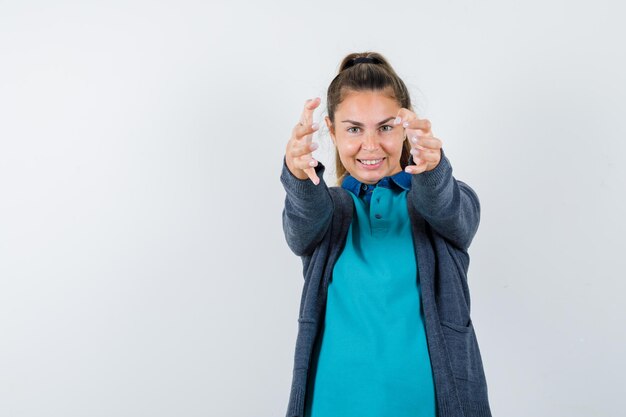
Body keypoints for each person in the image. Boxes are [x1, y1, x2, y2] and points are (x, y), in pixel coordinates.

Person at [280, 52, 492, 417]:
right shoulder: (329, 212)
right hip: (332, 405)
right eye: (354, 129)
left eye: (386, 127)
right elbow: (301, 225)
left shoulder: (437, 205)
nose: (371, 145)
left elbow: (454, 212)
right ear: (331, 130)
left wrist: (434, 170)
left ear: (406, 127)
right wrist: (298, 178)